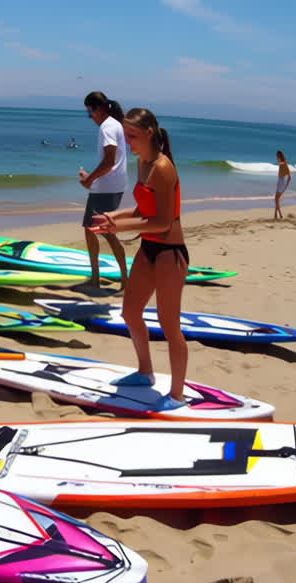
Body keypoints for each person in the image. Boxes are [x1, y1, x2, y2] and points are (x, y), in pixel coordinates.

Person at [88, 108, 188, 411]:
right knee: (131, 312)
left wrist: (121, 227)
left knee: (169, 325)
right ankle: (145, 372)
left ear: (147, 132)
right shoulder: (143, 163)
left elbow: (163, 222)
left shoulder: (162, 167)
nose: (126, 141)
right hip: (149, 249)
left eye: (131, 136)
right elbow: (142, 209)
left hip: (170, 254)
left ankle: (177, 396)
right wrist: (113, 216)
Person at [79, 91, 130, 288]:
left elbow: (109, 161)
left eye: (89, 113)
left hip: (106, 187)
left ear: (97, 109)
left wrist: (89, 179)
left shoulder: (107, 127)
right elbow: (113, 161)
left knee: (103, 231)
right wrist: (90, 178)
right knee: (97, 230)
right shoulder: (116, 124)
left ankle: (100, 280)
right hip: (115, 185)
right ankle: (113, 278)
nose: (90, 117)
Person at [274, 150, 291, 219]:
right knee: (276, 199)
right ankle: (275, 214)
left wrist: (285, 186)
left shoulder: (284, 163)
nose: (277, 157)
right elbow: (289, 177)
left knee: (276, 199)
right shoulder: (283, 163)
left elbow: (289, 177)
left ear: (280, 156)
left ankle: (280, 215)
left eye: (277, 156)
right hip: (280, 182)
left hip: (281, 182)